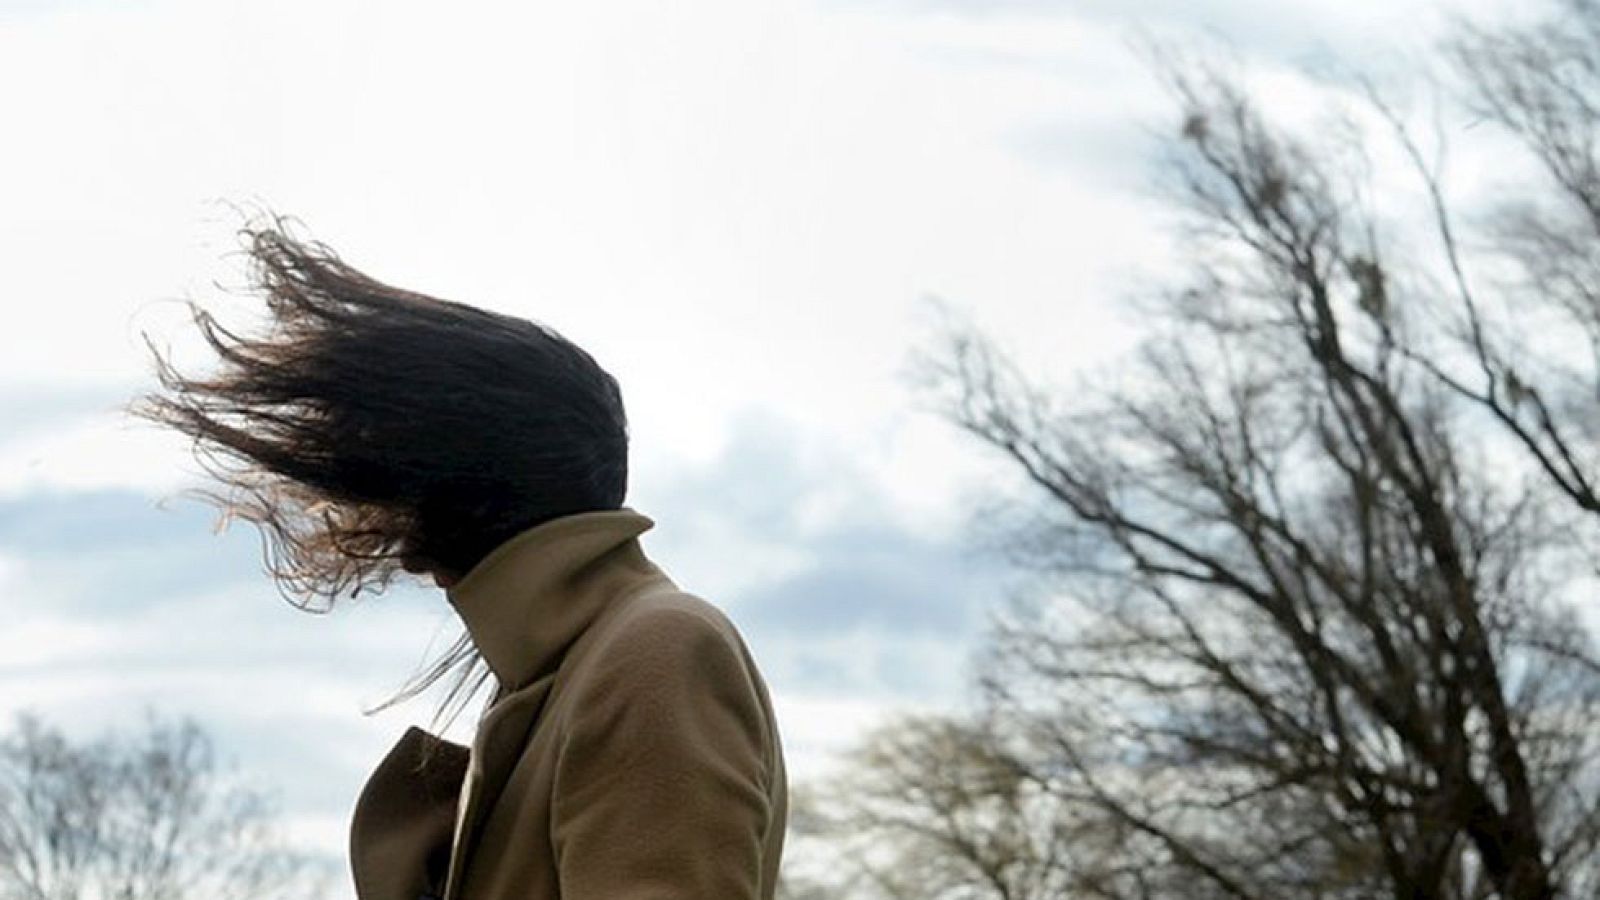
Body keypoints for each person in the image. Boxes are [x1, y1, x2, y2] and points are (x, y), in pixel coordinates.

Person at [134, 223, 788, 900]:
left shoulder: (656, 651)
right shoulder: (561, 673)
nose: (372, 509)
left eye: (385, 466)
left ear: (451, 477)